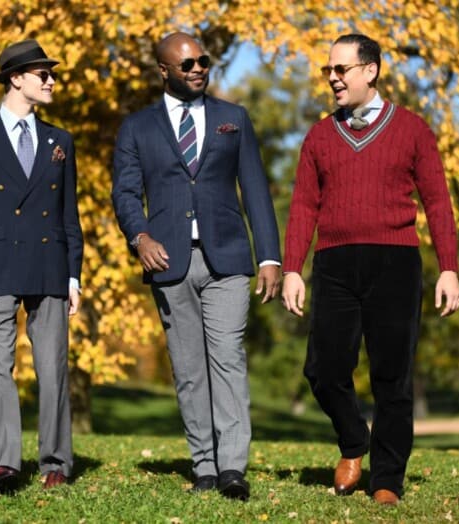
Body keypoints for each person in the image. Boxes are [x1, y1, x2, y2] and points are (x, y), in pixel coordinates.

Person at [281, 33, 459, 505]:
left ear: (371, 71)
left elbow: (438, 201)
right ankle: (353, 441)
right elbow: (303, 205)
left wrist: (449, 268)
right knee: (322, 369)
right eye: (329, 71)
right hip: (334, 262)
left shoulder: (413, 130)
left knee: (392, 377)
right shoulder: (320, 135)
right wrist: (293, 269)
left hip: (396, 261)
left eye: (341, 69)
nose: (333, 78)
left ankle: (386, 480)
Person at [111, 32, 281, 501]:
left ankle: (232, 469)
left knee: (227, 358)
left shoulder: (234, 119)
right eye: (186, 64)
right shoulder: (137, 128)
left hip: (227, 259)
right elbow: (125, 193)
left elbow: (256, 190)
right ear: (163, 70)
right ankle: (203, 465)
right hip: (169, 261)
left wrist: (269, 256)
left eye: (203, 61)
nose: (198, 69)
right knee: (188, 369)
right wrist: (139, 236)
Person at [0, 39, 83, 494]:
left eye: (52, 73)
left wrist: (74, 276)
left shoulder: (60, 141)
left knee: (53, 366)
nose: (51, 80)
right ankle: (2, 464)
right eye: (42, 73)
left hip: (50, 265)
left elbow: (70, 215)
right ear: (15, 79)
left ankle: (56, 461)